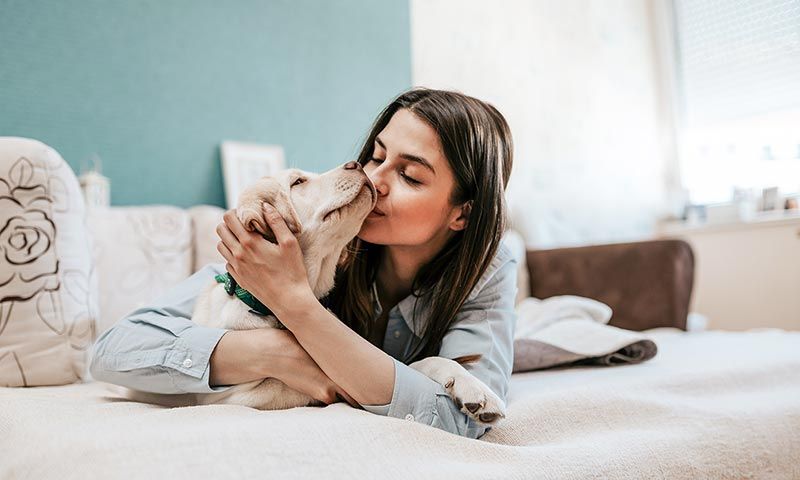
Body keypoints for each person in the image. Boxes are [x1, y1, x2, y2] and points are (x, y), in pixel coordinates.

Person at [90, 87, 517, 439]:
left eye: (410, 176)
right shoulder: (316, 240)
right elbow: (113, 351)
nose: (376, 179)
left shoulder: (488, 269)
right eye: (377, 155)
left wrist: (297, 305)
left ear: (462, 212)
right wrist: (276, 352)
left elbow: (462, 420)